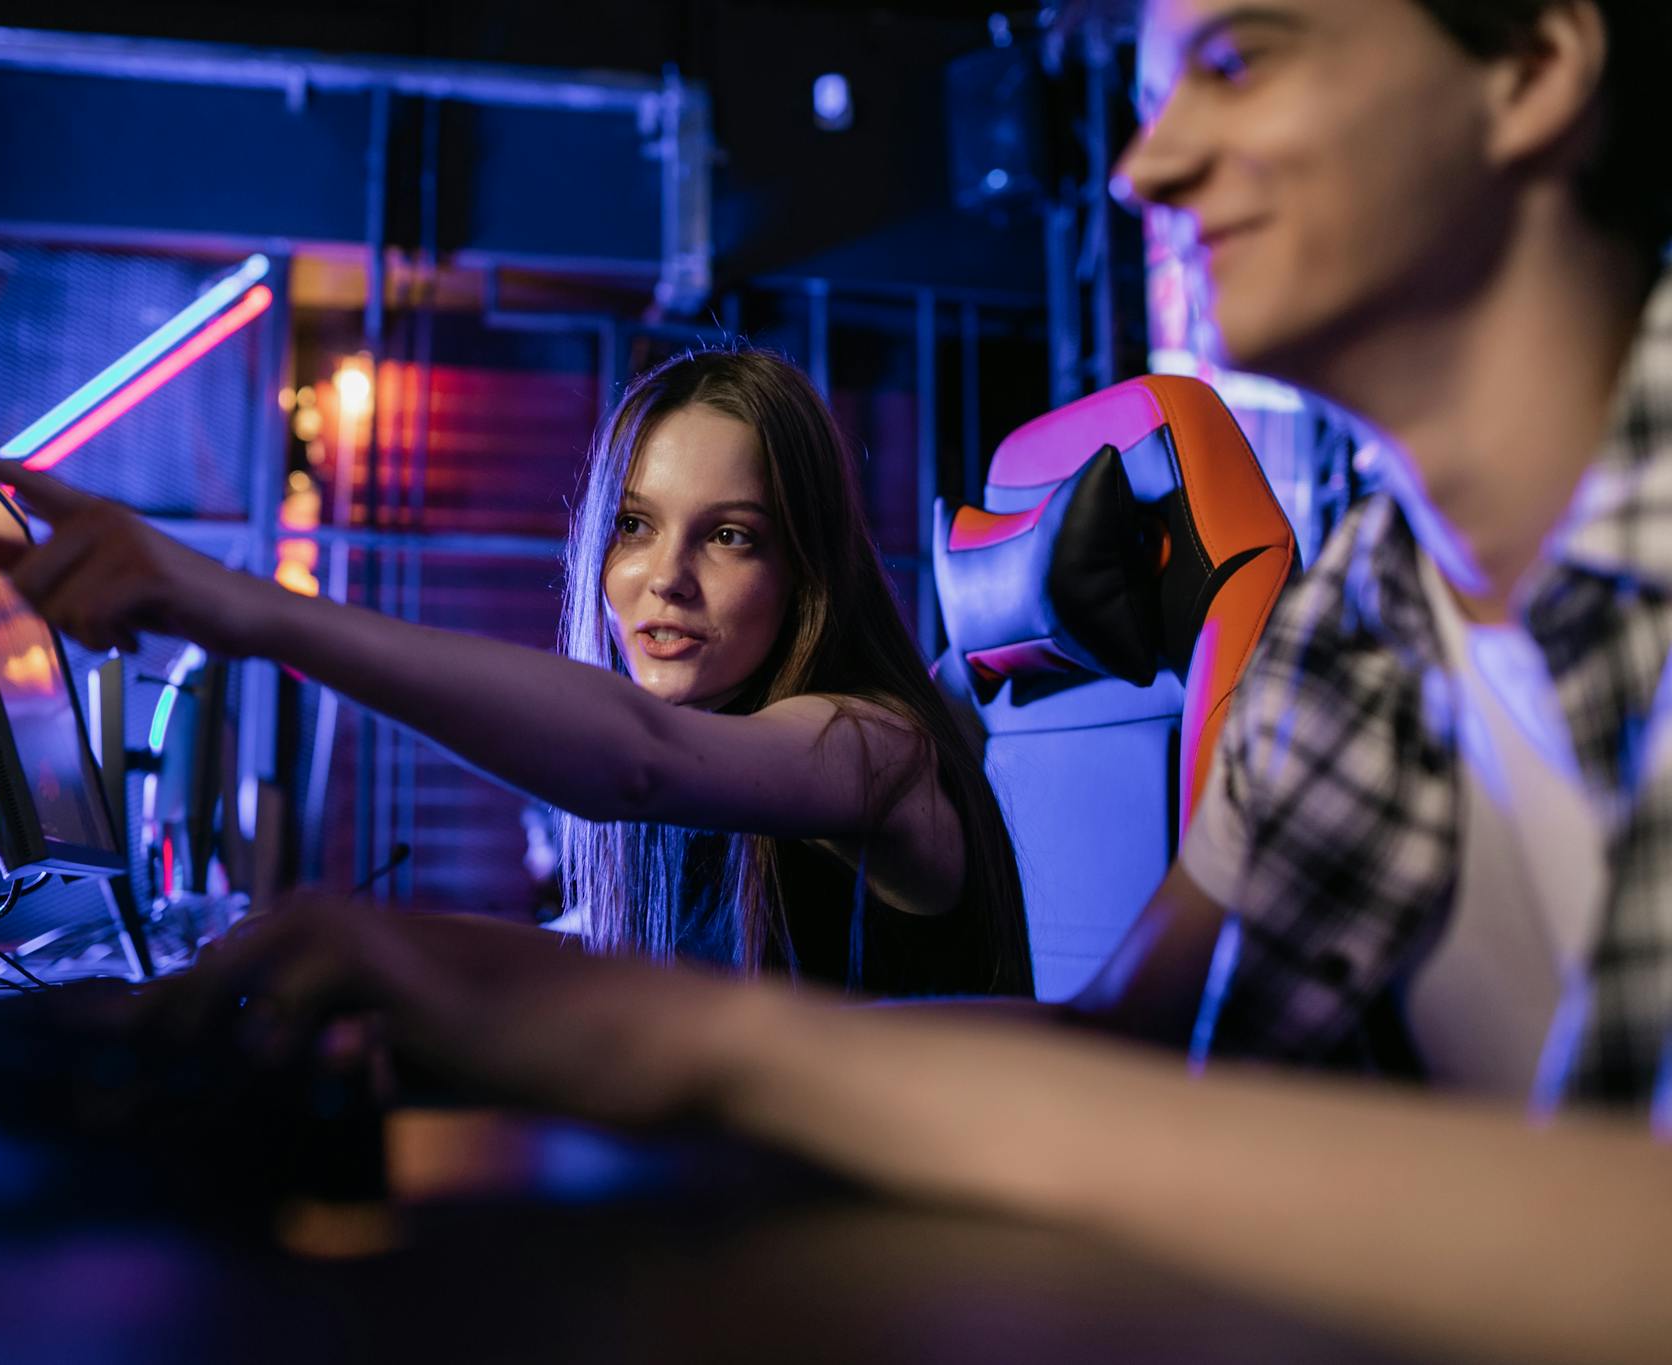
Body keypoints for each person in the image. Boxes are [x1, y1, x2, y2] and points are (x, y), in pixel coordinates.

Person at [132, 1, 1672, 1360]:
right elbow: (1139, 1043)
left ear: (1534, 64)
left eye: (1237, 57)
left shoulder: (870, 740)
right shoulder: (1361, 613)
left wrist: (702, 1052)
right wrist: (527, 1007)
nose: (1140, 169)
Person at [0, 348, 1032, 998]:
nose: (665, 579)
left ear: (806, 569)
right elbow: (609, 958)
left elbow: (640, 762)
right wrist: (352, 943)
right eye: (633, 527)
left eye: (732, 537)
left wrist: (245, 609)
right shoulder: (726, 762)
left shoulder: (873, 747)